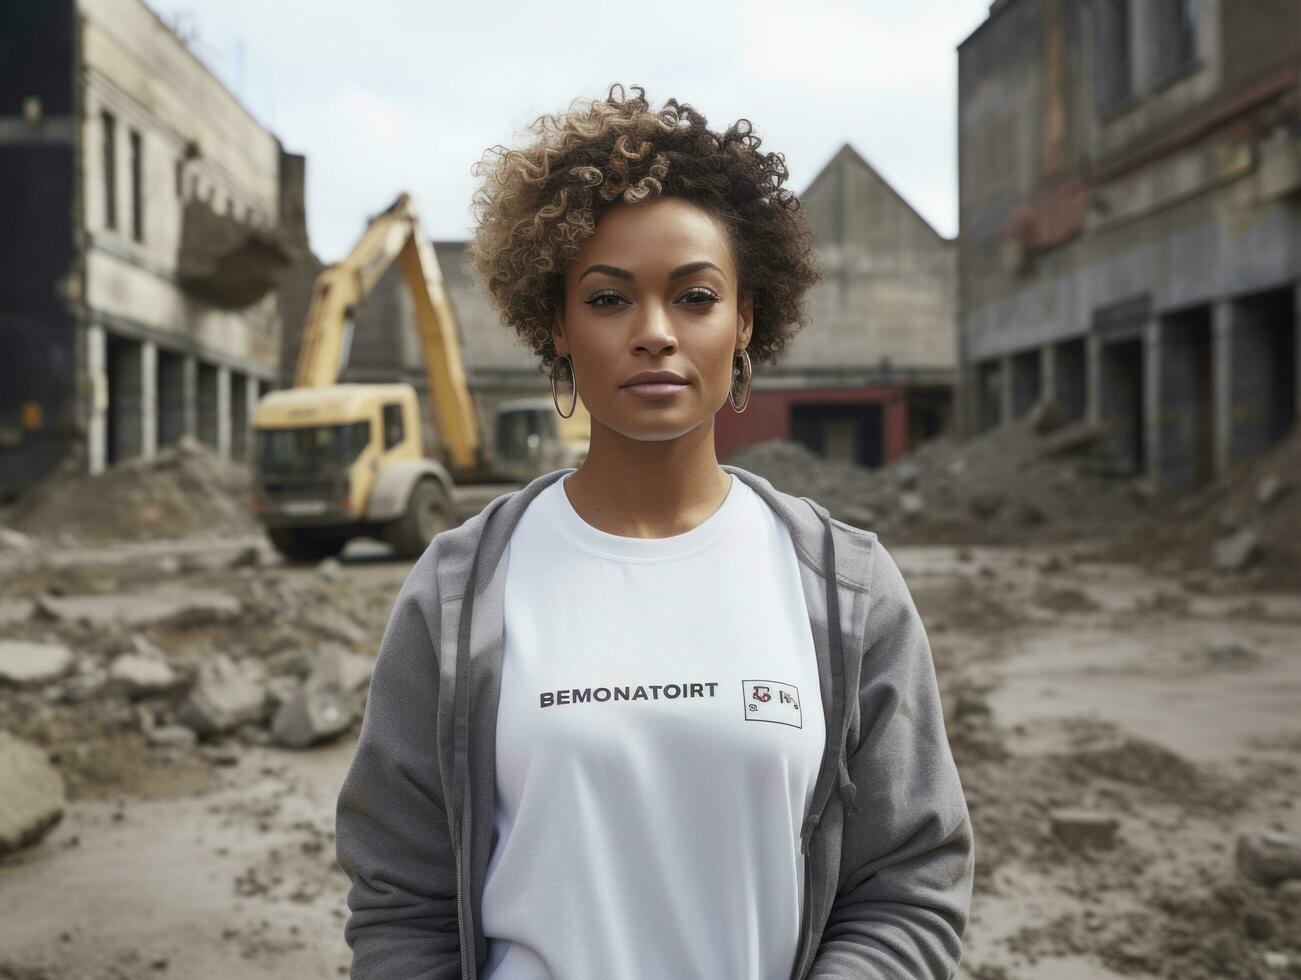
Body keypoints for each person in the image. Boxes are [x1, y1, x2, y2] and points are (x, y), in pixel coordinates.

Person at [335, 82, 974, 980]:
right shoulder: (457, 591)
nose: (654, 334)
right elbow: (401, 898)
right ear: (555, 324)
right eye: (606, 300)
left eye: (695, 296)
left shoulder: (845, 588)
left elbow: (907, 882)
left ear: (745, 319)